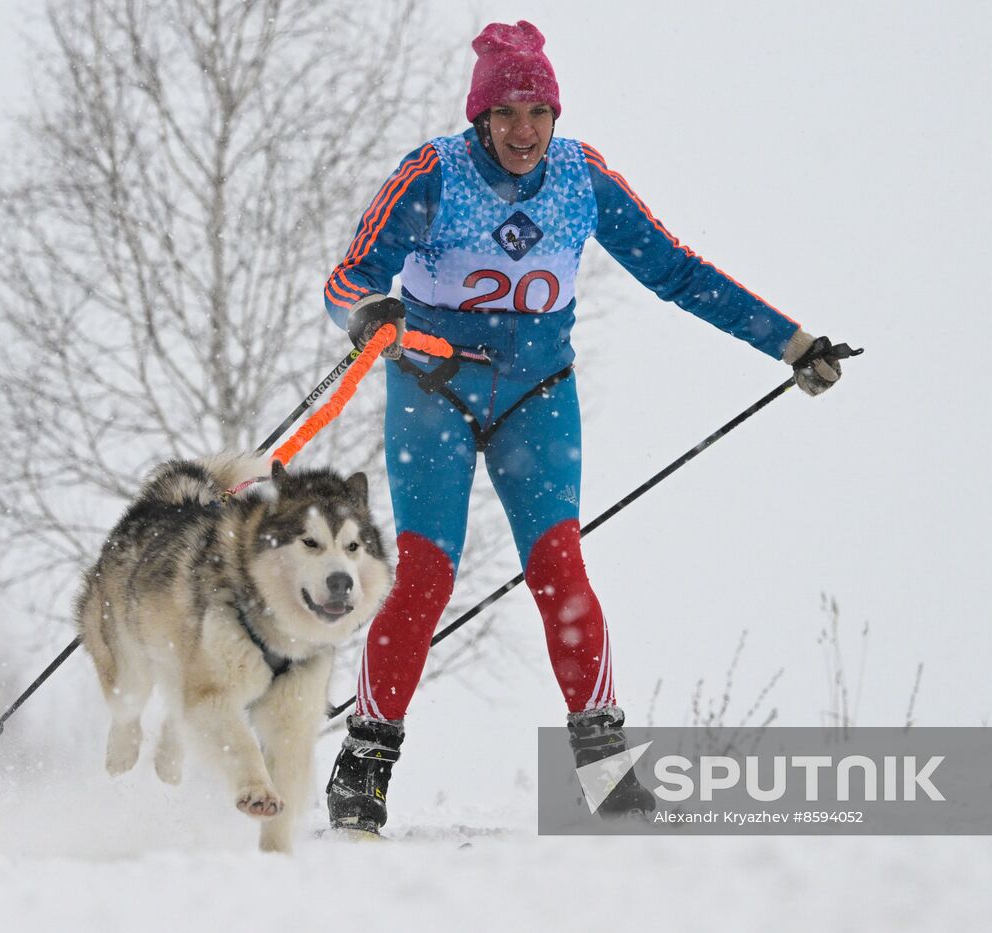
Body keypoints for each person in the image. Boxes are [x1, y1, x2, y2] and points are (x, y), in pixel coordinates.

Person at [321, 20, 842, 835]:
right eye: (507, 114)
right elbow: (350, 276)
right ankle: (364, 766)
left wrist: (791, 340)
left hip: (536, 395)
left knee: (559, 567)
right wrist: (365, 313)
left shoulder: (580, 177)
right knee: (425, 574)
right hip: (436, 393)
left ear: (556, 115)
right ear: (480, 119)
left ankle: (607, 769)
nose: (524, 131)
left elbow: (676, 270)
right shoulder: (433, 173)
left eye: (538, 112)